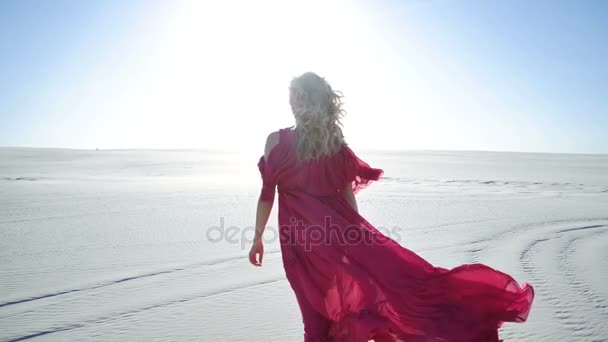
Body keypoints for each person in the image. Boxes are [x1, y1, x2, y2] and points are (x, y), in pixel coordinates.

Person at [249, 72, 534, 342]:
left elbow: (267, 195)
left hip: (303, 247)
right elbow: (347, 201)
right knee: (346, 309)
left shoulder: (279, 141)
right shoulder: (333, 145)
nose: (292, 103)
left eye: (295, 97)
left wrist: (258, 238)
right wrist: (358, 245)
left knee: (317, 319)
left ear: (302, 101)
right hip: (329, 244)